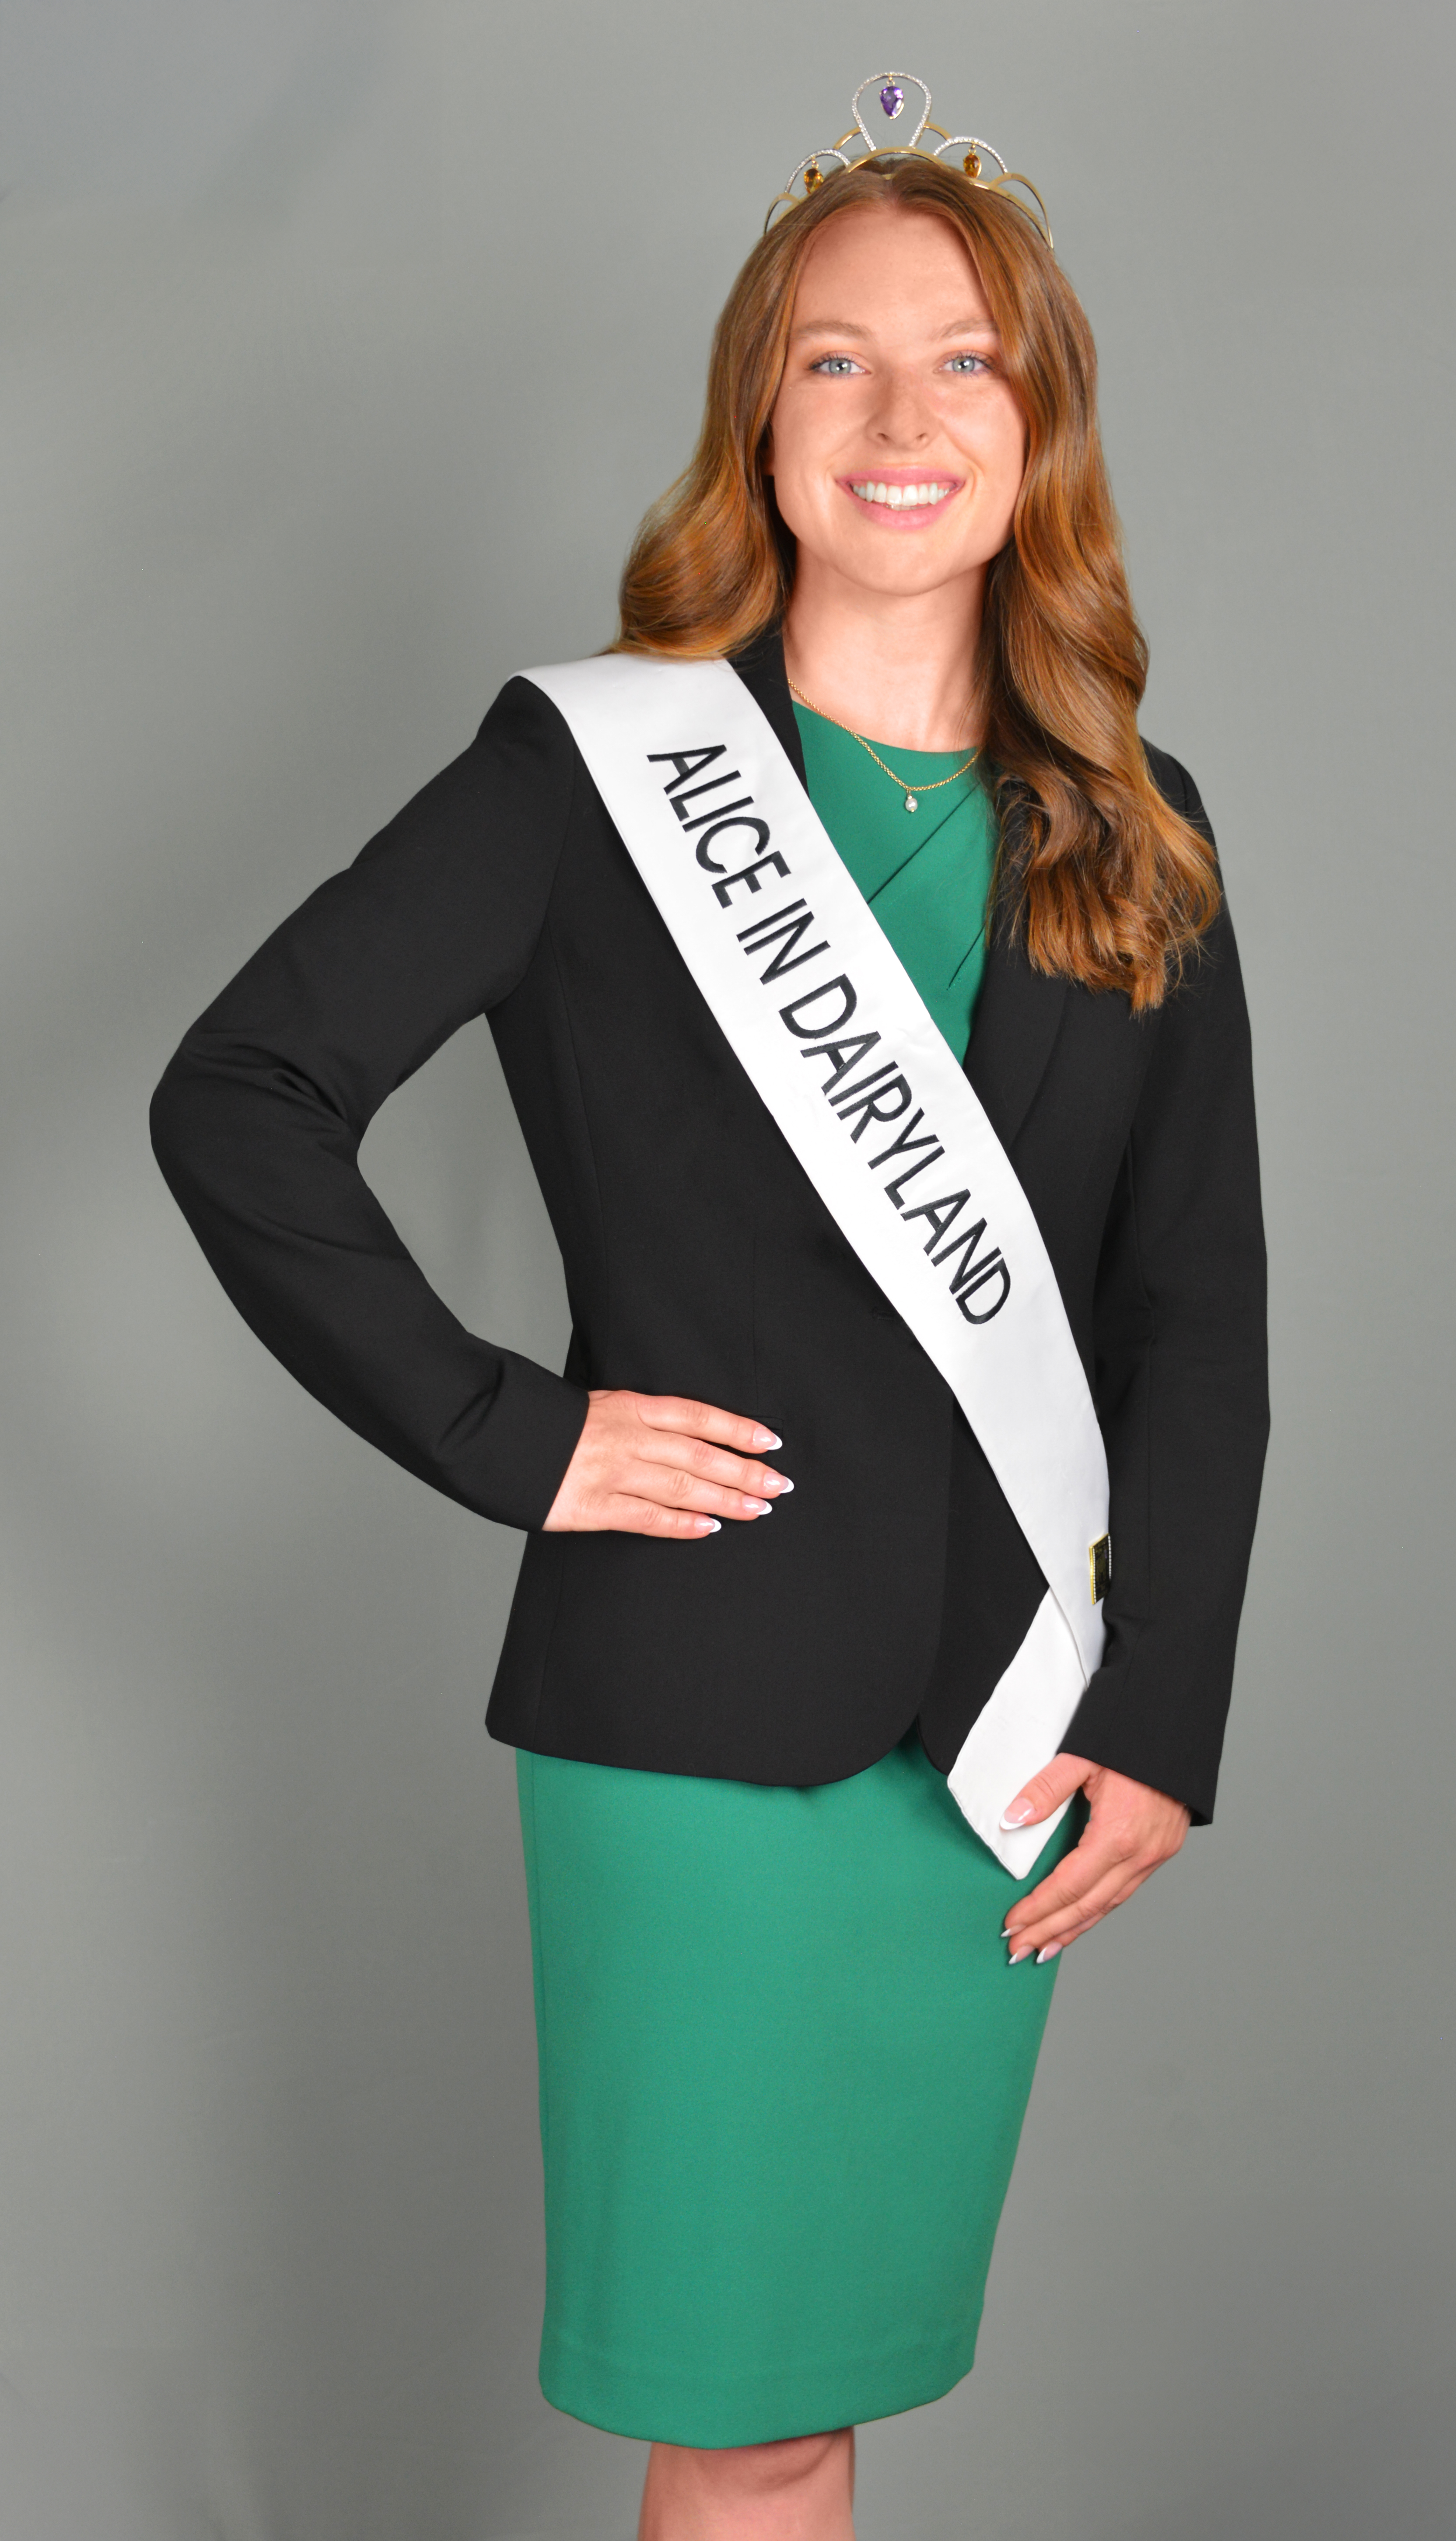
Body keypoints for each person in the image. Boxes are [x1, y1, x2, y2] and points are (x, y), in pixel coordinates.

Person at [151, 75, 1267, 2541]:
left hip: (999, 1744)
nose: (900, 417)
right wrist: (507, 1432)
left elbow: (1198, 1312)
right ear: (760, 417)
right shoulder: (597, 775)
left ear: (1040, 429)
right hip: (689, 1722)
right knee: (745, 2416)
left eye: (966, 361)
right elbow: (242, 1094)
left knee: (824, 2403)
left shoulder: (1134, 824)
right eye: (834, 359)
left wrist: (1166, 1710)